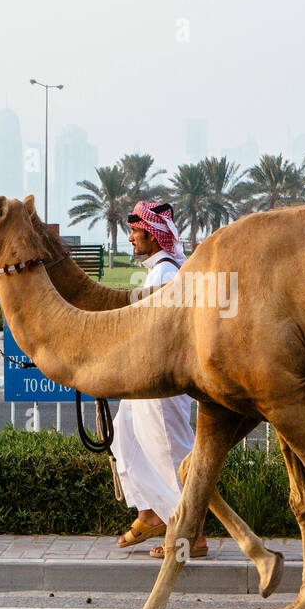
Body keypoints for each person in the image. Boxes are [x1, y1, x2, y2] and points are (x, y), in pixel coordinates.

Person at [111, 201, 207, 559]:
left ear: (153, 235)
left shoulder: (166, 275)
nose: (131, 238)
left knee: (170, 452)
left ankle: (191, 534)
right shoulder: (159, 272)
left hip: (162, 382)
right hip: (144, 379)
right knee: (126, 436)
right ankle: (150, 513)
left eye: (136, 232)